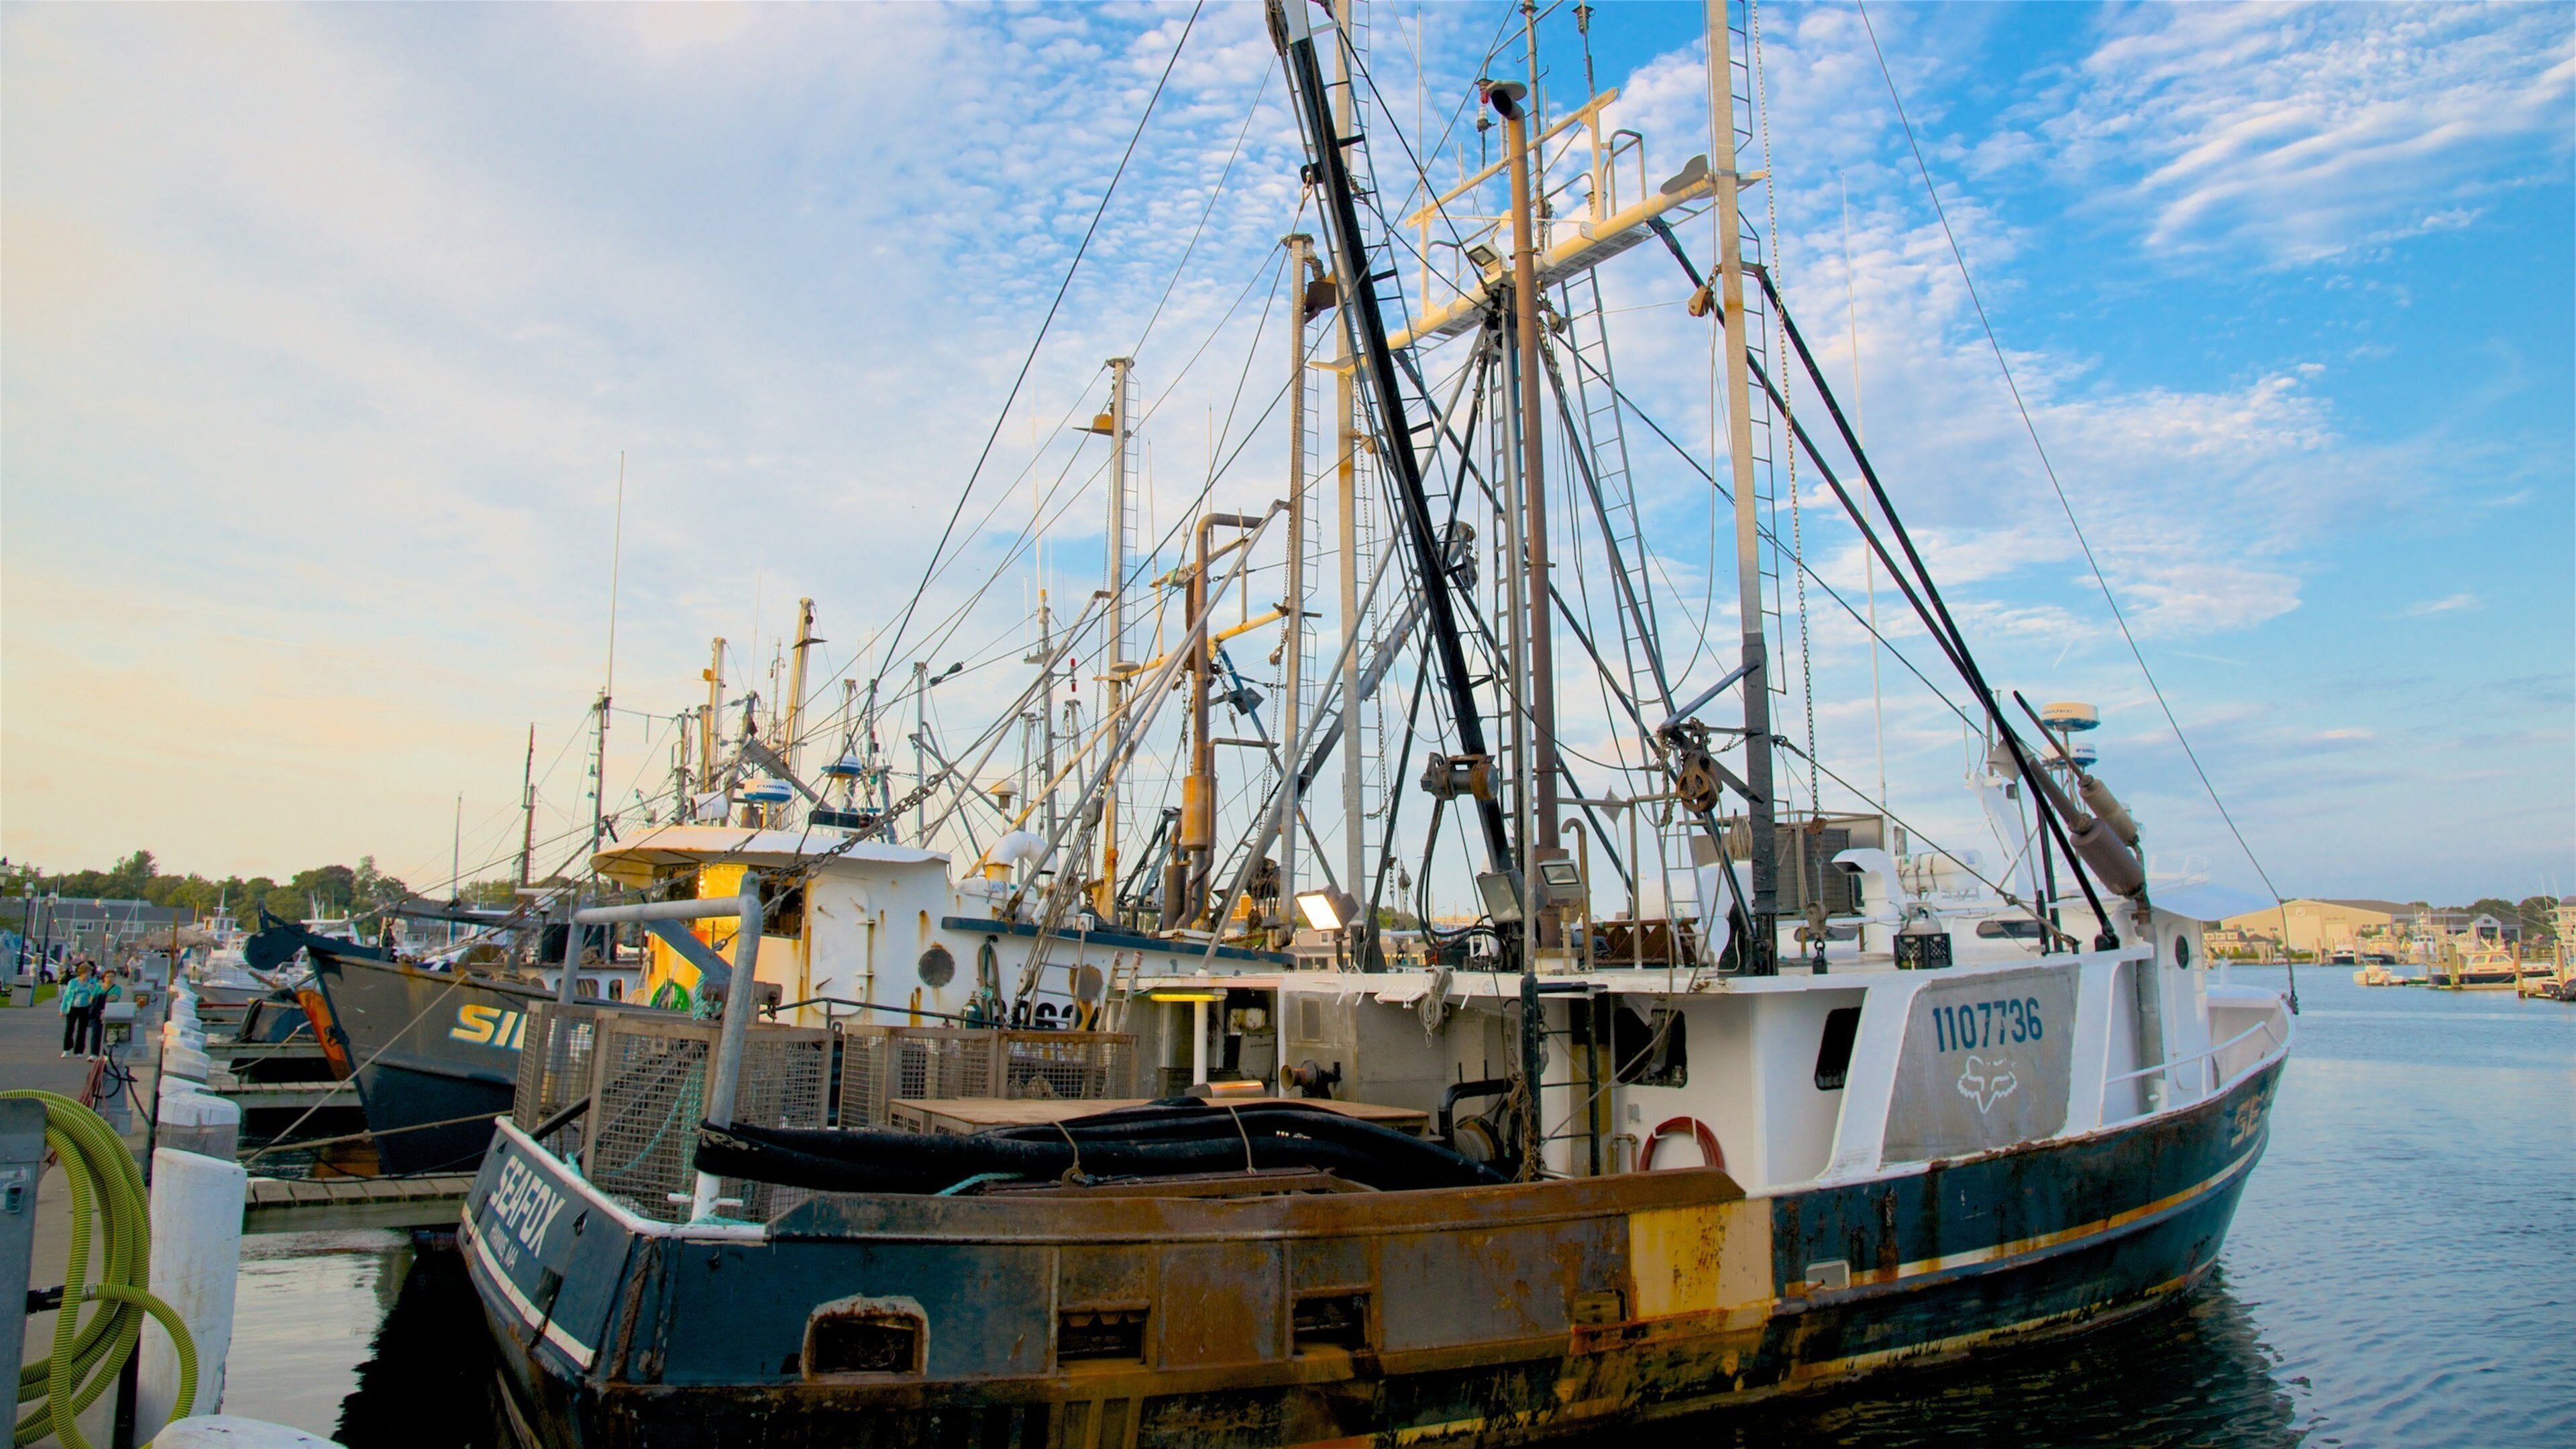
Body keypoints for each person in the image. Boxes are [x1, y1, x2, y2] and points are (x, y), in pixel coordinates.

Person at [59, 963, 99, 1057]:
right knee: (69, 1029)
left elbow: (95, 996)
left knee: (82, 1030)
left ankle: (79, 1051)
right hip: (73, 1007)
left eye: (90, 973)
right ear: (81, 973)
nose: (89, 975)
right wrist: (62, 1009)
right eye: (87, 973)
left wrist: (92, 990)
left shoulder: (92, 982)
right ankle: (67, 1049)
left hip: (85, 1008)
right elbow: (67, 996)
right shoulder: (73, 982)